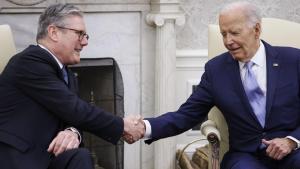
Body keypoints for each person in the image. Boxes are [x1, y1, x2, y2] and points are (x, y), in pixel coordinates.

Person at [141, 1, 300, 169]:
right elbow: (186, 115)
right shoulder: (216, 70)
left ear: (256, 30)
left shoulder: (293, 60)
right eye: (224, 34)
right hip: (245, 156)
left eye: (234, 33)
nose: (228, 41)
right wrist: (144, 127)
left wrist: (291, 141)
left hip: (293, 151)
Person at [0, 3, 144, 169]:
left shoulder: (67, 74)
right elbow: (75, 108)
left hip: (48, 156)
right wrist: (123, 126)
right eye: (79, 34)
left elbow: (73, 115)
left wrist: (72, 132)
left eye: (85, 36)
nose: (84, 42)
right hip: (19, 158)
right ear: (54, 32)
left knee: (80, 156)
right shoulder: (29, 62)